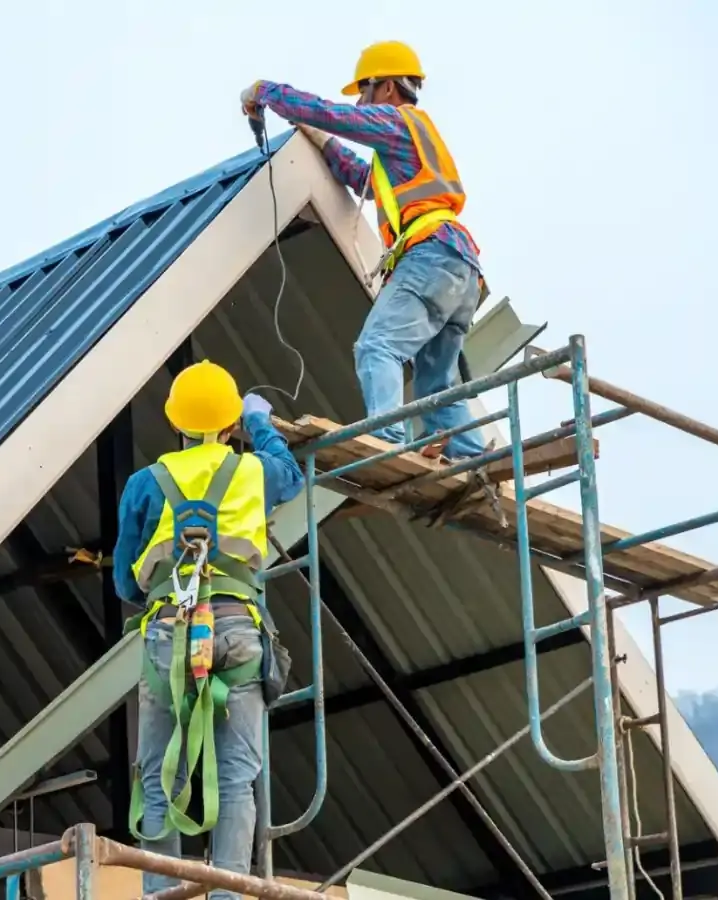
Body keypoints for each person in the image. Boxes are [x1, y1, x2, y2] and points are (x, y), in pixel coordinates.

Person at [239, 40, 488, 461]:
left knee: (377, 346)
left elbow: (335, 115)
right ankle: (472, 456)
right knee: (435, 382)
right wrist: (320, 141)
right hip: (458, 266)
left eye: (366, 92)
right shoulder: (409, 150)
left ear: (387, 87)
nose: (362, 101)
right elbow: (362, 179)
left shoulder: (396, 122)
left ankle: (388, 441)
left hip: (431, 254)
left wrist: (267, 92)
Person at [113, 360, 304, 900]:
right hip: (238, 629)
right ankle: (228, 896)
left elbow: (126, 581)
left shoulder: (144, 484)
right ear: (230, 425)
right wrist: (259, 423)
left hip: (169, 633)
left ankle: (160, 894)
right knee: (237, 775)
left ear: (175, 423)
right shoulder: (254, 472)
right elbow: (289, 473)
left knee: (158, 778)